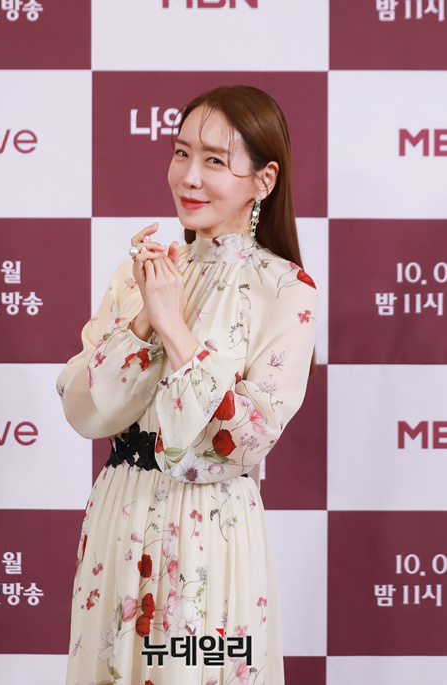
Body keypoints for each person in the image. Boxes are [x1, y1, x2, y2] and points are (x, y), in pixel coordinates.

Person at [57, 85, 317, 685]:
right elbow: (84, 408)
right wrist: (143, 320)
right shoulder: (138, 274)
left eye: (214, 160)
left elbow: (244, 441)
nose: (189, 177)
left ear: (263, 180)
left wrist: (174, 326)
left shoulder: (285, 290)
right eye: (181, 153)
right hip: (119, 516)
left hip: (208, 534)